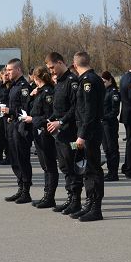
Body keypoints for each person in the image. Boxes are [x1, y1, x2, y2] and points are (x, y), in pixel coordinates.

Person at [45, 52, 84, 214]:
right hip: (60, 133)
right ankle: (70, 198)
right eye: (49, 69)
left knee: (72, 165)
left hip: (71, 132)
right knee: (64, 166)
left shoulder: (71, 82)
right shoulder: (59, 83)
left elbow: (75, 108)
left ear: (60, 62)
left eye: (52, 67)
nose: (51, 71)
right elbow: (58, 108)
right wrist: (51, 119)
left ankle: (76, 201)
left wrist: (60, 122)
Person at [71, 51, 105, 222]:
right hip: (87, 130)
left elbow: (89, 111)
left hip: (89, 132)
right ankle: (89, 204)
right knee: (87, 170)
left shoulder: (88, 81)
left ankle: (96, 208)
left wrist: (82, 135)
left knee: (92, 169)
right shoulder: (91, 79)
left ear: (74, 65)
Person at [25, 66, 59, 208]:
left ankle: (49, 196)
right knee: (44, 165)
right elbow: (31, 109)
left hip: (46, 132)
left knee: (49, 165)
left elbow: (49, 115)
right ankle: (47, 195)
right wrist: (31, 96)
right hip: (38, 132)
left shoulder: (48, 92)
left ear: (36, 77)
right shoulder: (38, 92)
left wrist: (33, 120)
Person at [2, 59, 34, 204]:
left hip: (21, 128)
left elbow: (25, 109)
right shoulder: (13, 86)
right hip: (12, 126)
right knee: (14, 159)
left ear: (18, 69)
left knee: (22, 159)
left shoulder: (23, 87)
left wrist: (11, 111)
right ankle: (20, 188)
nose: (7, 72)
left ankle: (26, 191)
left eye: (9, 70)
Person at [101, 71, 121, 182]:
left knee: (112, 148)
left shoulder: (113, 92)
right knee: (106, 149)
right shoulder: (104, 91)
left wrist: (104, 117)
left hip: (110, 124)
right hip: (103, 124)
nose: (103, 83)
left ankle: (113, 173)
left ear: (109, 80)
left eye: (104, 81)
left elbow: (115, 111)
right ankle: (110, 171)